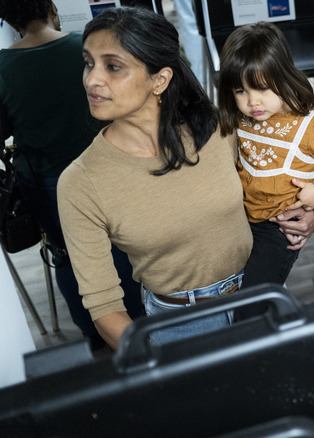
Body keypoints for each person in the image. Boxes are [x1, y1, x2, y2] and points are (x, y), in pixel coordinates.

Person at [58, 7, 252, 349]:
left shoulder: (221, 129)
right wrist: (154, 362)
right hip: (178, 325)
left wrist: (310, 210)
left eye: (112, 66)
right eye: (88, 63)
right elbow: (104, 306)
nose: (91, 79)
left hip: (259, 294)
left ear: (159, 80)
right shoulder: (80, 183)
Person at [0, 0, 143, 351]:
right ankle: (137, 318)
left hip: (46, 179)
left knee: (67, 253)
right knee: (125, 244)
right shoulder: (87, 48)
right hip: (109, 163)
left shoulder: (2, 66)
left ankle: (95, 333)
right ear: (51, 6)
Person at [216, 21, 314, 290]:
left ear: (284, 77)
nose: (252, 102)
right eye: (241, 91)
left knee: (254, 300)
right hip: (241, 219)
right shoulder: (242, 117)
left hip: (278, 228)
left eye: (262, 88)